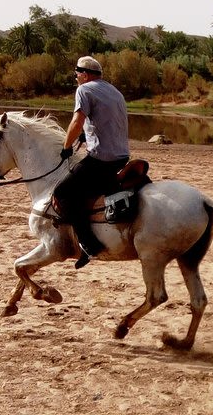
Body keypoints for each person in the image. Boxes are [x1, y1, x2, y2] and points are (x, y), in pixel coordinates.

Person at [53, 56, 130, 269]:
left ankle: (88, 244)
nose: (76, 78)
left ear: (84, 74)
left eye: (77, 74)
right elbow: (106, 122)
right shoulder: (115, 91)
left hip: (101, 160)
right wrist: (87, 136)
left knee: (62, 192)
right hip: (121, 157)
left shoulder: (84, 90)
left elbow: (77, 121)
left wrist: (66, 147)